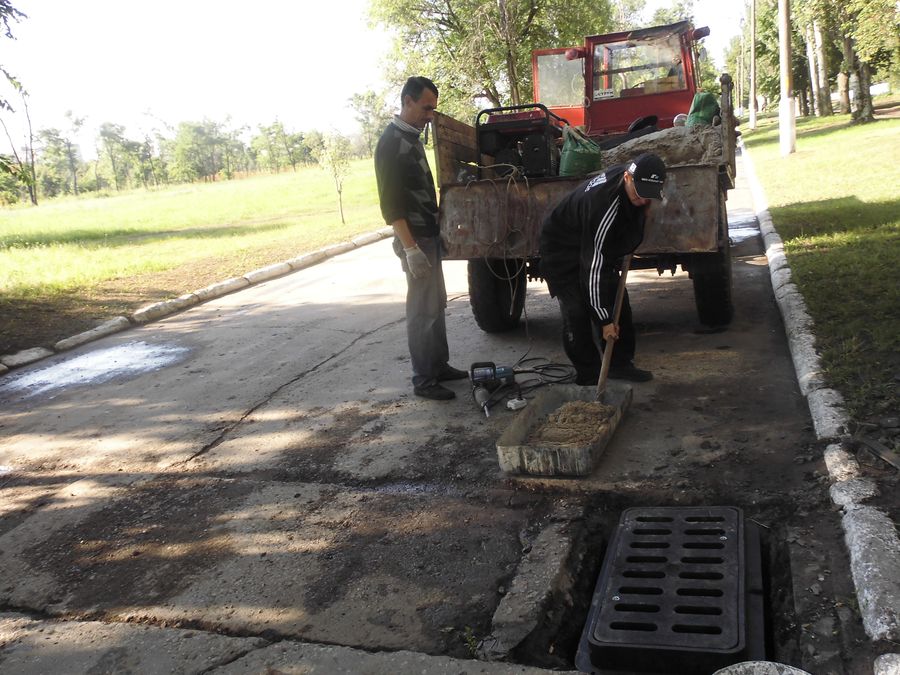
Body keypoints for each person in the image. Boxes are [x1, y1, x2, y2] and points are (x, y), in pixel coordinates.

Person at [374, 76, 467, 401]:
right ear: (408, 101)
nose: (431, 114)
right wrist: (411, 249)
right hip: (415, 241)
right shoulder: (391, 142)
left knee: (436, 303)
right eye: (426, 107)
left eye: (433, 108)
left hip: (428, 236)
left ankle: (438, 366)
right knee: (422, 310)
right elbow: (391, 204)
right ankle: (424, 380)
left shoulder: (411, 137)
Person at [539, 153, 667, 385]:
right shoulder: (604, 205)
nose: (643, 200)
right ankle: (588, 375)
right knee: (576, 310)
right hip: (561, 248)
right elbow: (593, 267)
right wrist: (604, 320)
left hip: (590, 240)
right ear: (627, 177)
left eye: (648, 195)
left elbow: (623, 227)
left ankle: (620, 365)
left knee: (618, 299)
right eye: (639, 193)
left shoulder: (629, 184)